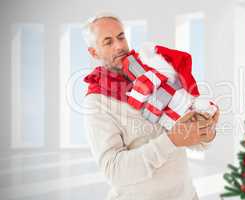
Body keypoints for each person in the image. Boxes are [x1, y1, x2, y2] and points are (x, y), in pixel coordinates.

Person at [82, 12, 219, 200]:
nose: (120, 46)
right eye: (108, 42)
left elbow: (192, 138)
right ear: (94, 52)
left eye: (121, 37)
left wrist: (207, 129)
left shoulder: (154, 72)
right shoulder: (96, 102)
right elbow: (114, 171)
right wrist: (171, 140)